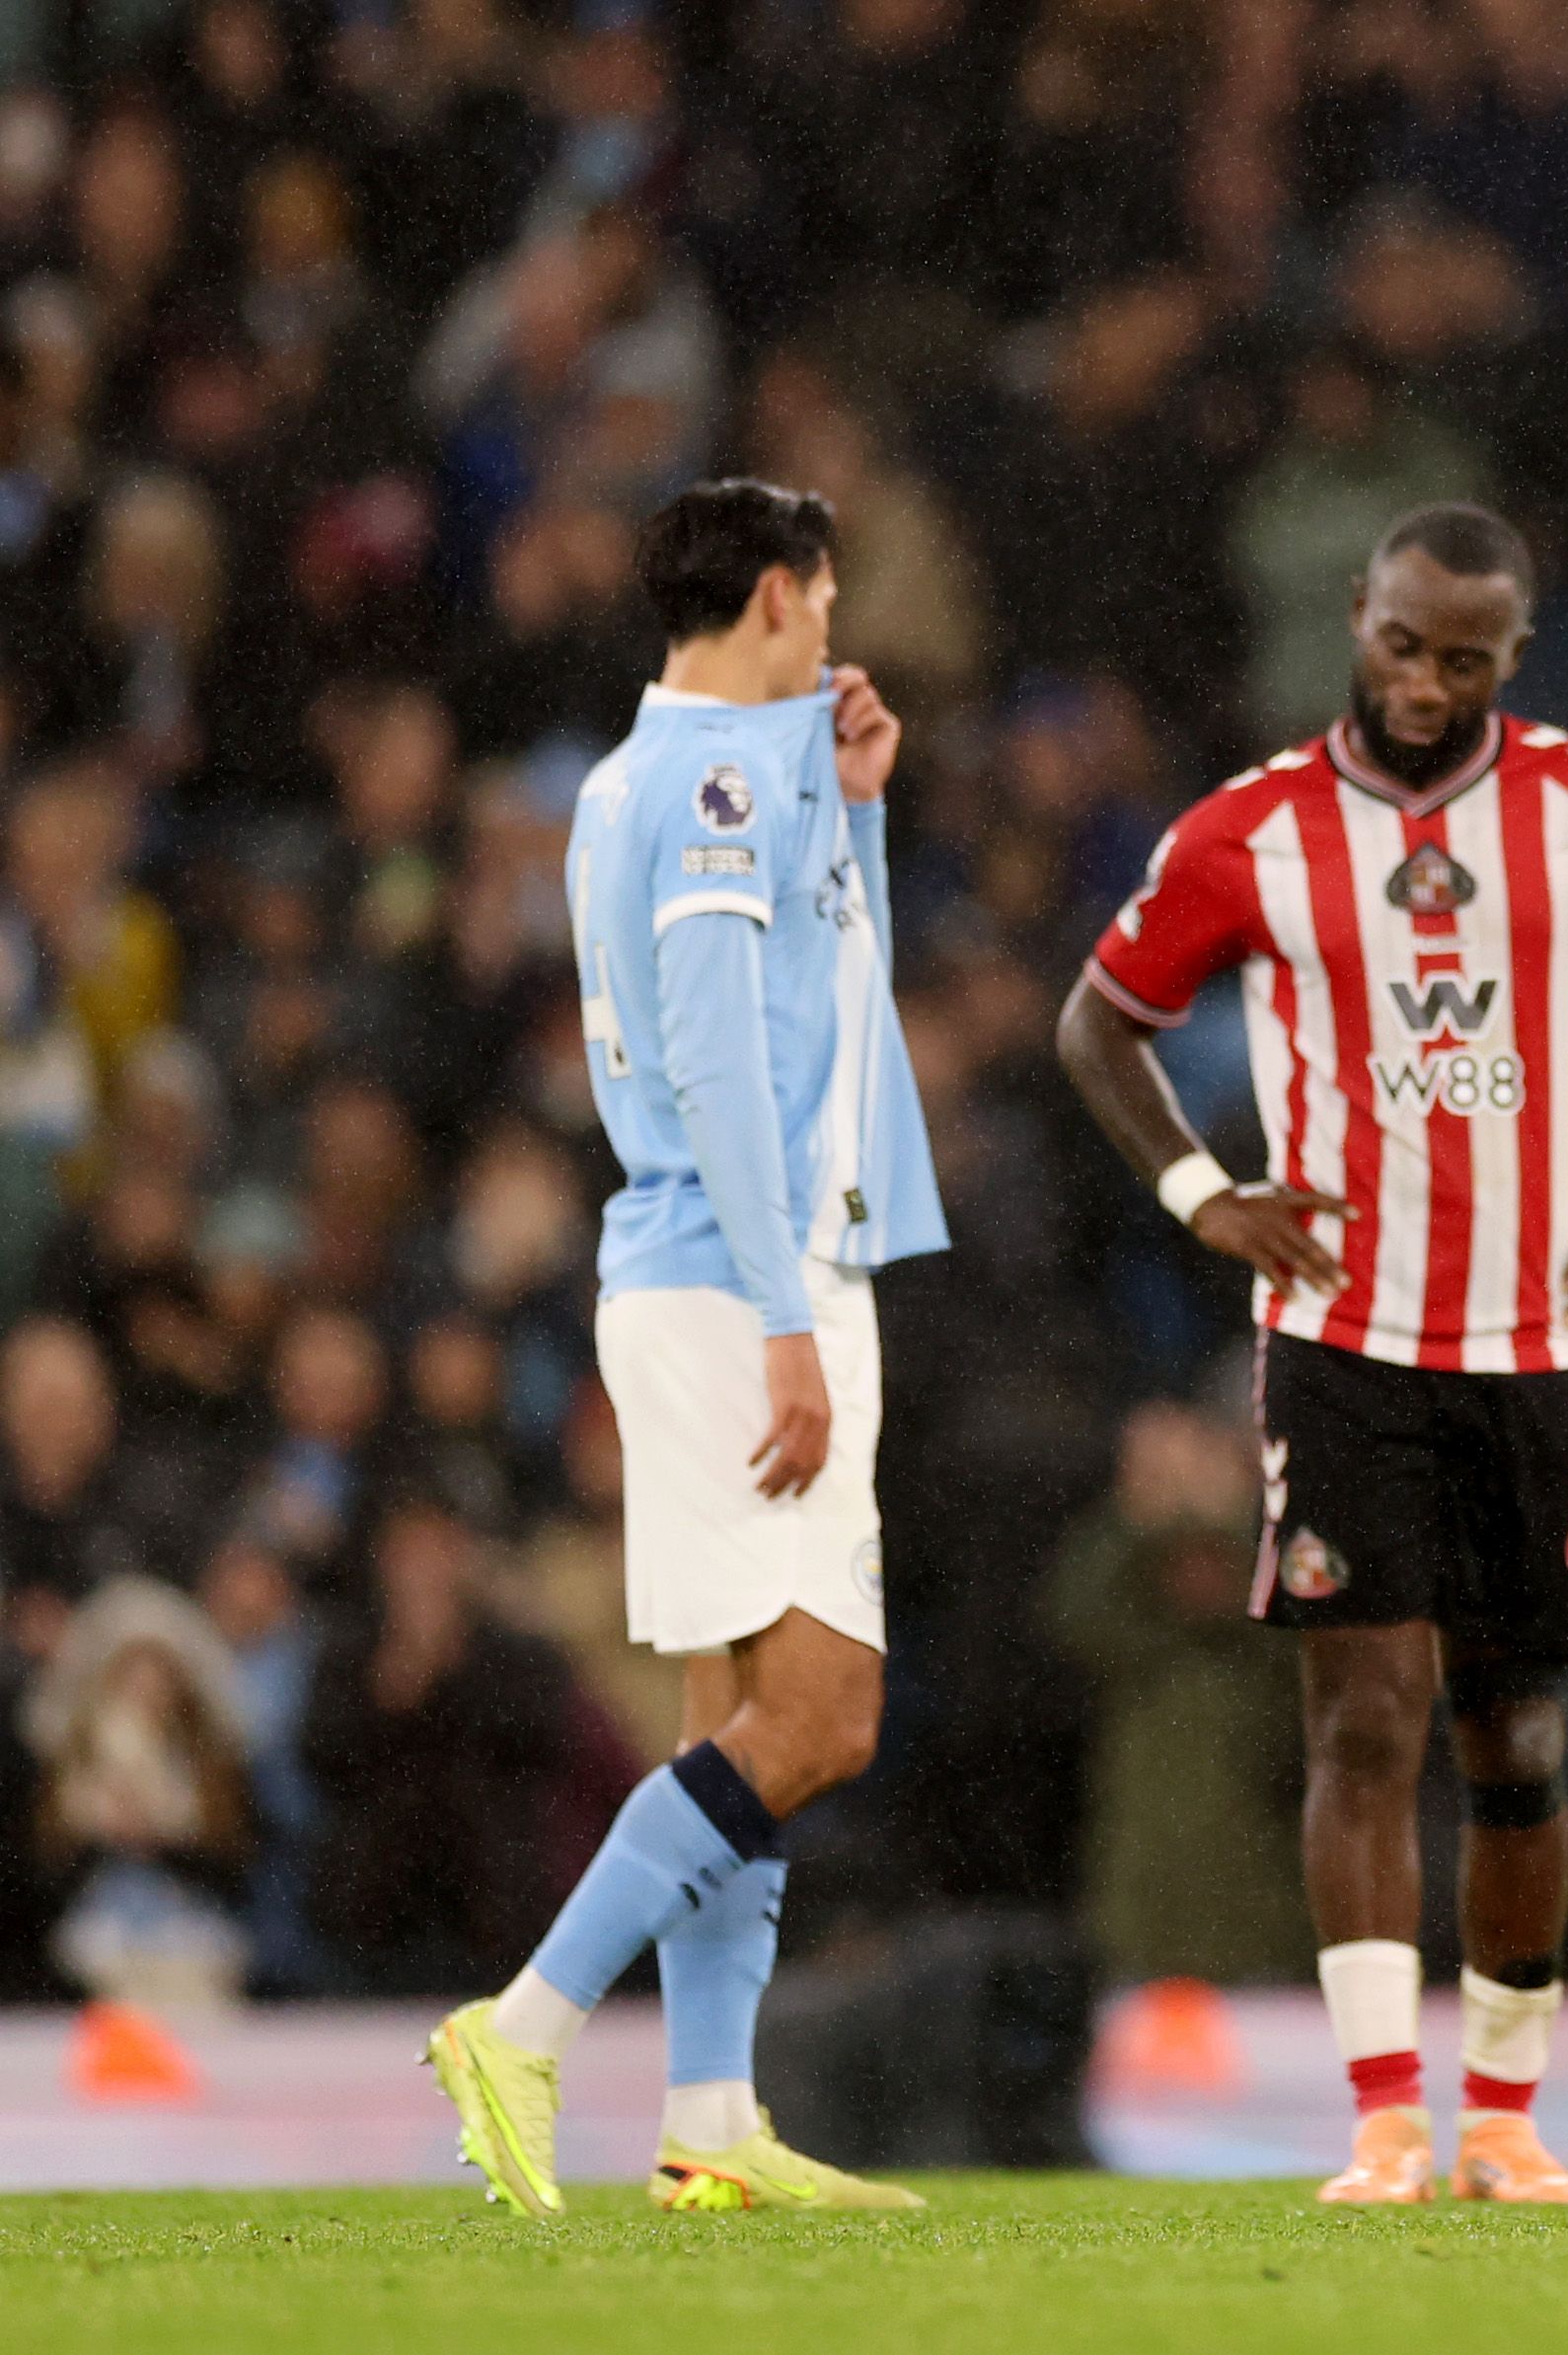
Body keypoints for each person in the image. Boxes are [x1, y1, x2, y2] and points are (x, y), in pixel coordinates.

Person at [1058, 499, 1568, 2205]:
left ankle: (1508, 2121)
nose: (1426, 680)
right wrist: (1198, 1190)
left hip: (1536, 1346)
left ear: (1512, 657)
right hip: (1342, 1340)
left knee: (1513, 1740)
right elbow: (1100, 1016)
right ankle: (1386, 2117)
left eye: (1465, 658)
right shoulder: (1256, 833)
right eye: (1400, 642)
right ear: (1360, 619)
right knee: (1360, 1725)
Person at [421, 479, 945, 2218]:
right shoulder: (715, 780)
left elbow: (817, 1005)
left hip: (703, 1275)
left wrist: (858, 815)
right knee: (824, 1713)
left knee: (732, 1708)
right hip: (744, 1281)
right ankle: (525, 2021)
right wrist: (789, 1319)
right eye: (830, 594)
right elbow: (723, 1064)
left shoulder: (652, 777)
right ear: (786, 597)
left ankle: (712, 2113)